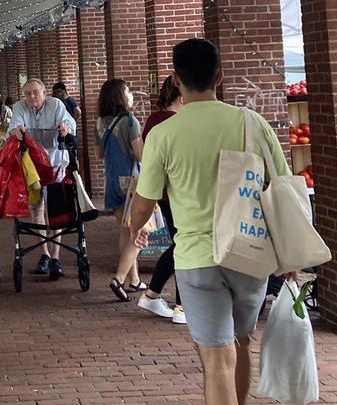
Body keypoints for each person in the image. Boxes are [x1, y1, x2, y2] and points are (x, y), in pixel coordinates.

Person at [130, 39, 293, 405]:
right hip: (250, 253)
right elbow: (281, 188)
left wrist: (135, 229)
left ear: (176, 79)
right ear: (219, 76)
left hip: (196, 257)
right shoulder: (253, 124)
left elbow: (143, 203)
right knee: (241, 342)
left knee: (216, 359)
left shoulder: (163, 134)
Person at [8, 78, 76, 279]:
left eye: (36, 92)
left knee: (55, 211)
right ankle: (44, 254)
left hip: (54, 163)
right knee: (36, 209)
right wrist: (17, 131)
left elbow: (69, 125)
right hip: (32, 167)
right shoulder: (20, 107)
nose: (32, 97)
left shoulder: (56, 105)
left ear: (45, 93)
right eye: (28, 93)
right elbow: (14, 127)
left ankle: (55, 257)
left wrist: (65, 128)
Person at [137, 76, 187, 324]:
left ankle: (154, 294)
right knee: (184, 245)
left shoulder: (153, 121)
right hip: (181, 192)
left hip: (163, 192)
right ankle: (181, 305)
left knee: (180, 243)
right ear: (182, 96)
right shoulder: (179, 123)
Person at [95, 79, 145, 300]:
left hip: (112, 182)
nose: (130, 95)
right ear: (120, 96)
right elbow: (140, 155)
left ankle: (134, 279)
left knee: (125, 230)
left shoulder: (100, 123)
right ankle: (119, 278)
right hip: (132, 183)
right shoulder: (130, 121)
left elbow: (99, 154)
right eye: (128, 91)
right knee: (139, 231)